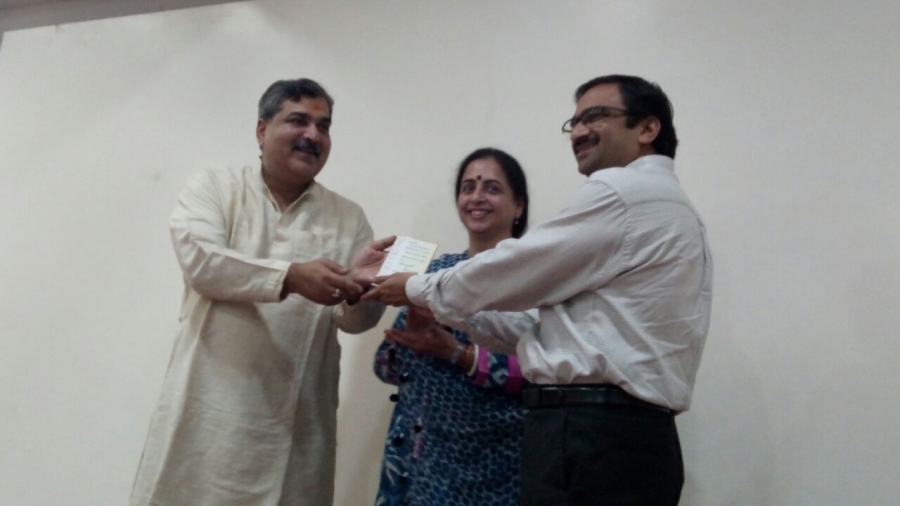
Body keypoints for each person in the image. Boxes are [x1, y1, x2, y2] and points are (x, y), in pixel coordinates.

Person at [365, 74, 713, 506]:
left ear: (647, 127)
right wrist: (432, 303)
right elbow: (546, 331)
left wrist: (418, 289)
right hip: (612, 438)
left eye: (595, 116)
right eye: (574, 122)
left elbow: (512, 270)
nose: (579, 131)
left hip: (589, 436)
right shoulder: (664, 204)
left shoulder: (623, 192)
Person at [131, 78, 389, 506]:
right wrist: (291, 276)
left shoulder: (348, 217)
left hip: (294, 427)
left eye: (323, 126)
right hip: (205, 415)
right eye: (298, 121)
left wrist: (361, 292)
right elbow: (203, 263)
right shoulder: (216, 187)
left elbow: (355, 321)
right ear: (262, 130)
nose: (313, 135)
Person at [373, 148, 535, 506]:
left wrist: (458, 354)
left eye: (492, 188)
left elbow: (546, 373)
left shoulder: (534, 279)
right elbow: (386, 367)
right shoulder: (434, 272)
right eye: (468, 187)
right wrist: (407, 340)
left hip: (502, 463)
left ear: (518, 206)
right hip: (423, 463)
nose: (477, 197)